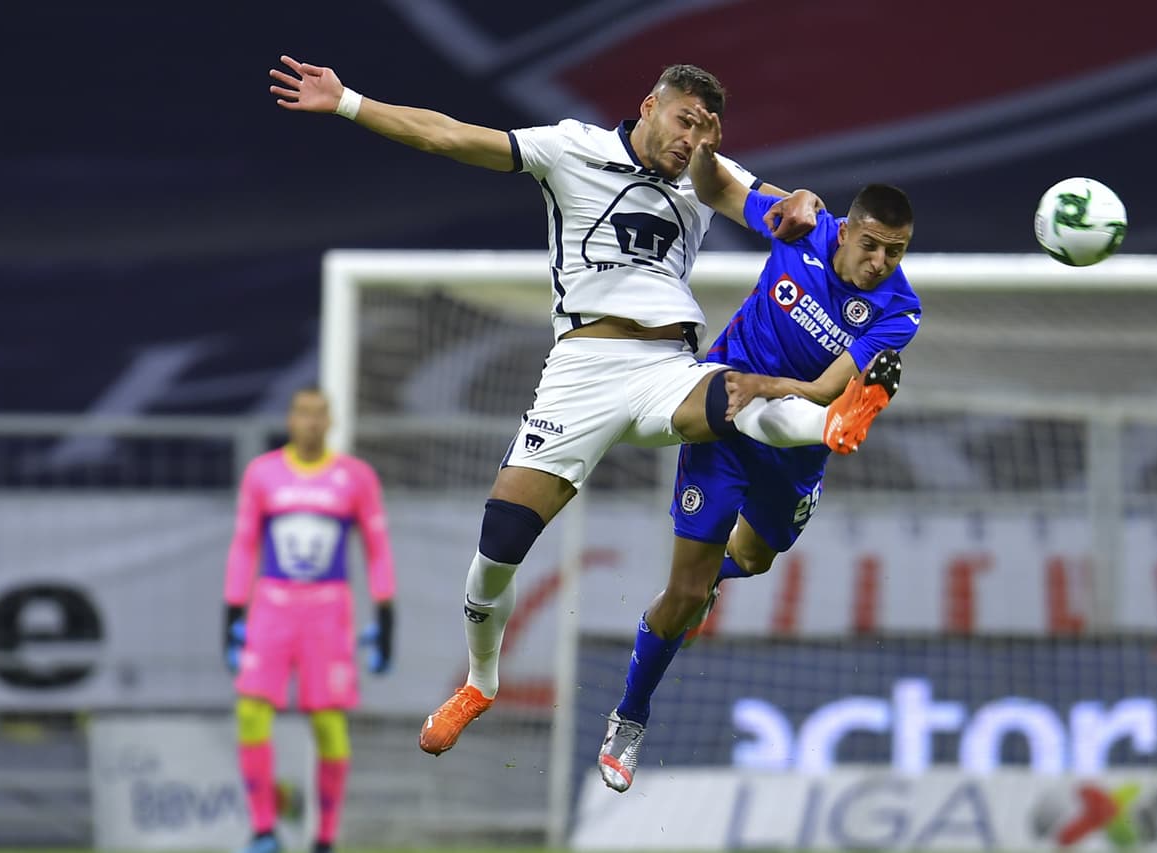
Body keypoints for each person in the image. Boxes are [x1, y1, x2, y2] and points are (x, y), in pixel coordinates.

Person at [268, 57, 900, 757]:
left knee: (739, 395)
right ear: (649, 106)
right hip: (580, 373)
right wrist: (349, 101)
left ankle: (836, 422)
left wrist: (802, 199)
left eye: (705, 129)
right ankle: (479, 682)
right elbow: (448, 135)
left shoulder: (705, 176)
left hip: (665, 367)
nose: (692, 139)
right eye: (684, 121)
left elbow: (787, 212)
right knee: (497, 550)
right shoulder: (570, 148)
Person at [597, 110, 920, 792]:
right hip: (722, 411)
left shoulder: (899, 309)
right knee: (685, 591)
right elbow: (717, 188)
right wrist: (706, 149)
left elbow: (829, 386)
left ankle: (711, 574)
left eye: (895, 252)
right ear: (847, 229)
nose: (880, 263)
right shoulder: (802, 225)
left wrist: (774, 387)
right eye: (871, 246)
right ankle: (630, 716)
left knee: (752, 557)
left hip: (793, 436)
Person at [223, 387, 396, 853]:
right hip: (272, 607)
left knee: (327, 721)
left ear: (331, 421)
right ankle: (264, 831)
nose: (311, 422)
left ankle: (324, 839)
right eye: (303, 413)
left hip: (328, 611)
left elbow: (377, 549)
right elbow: (244, 545)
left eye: (320, 414)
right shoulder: (263, 474)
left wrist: (386, 616)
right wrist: (232, 612)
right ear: (290, 419)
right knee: (251, 710)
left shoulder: (355, 477)